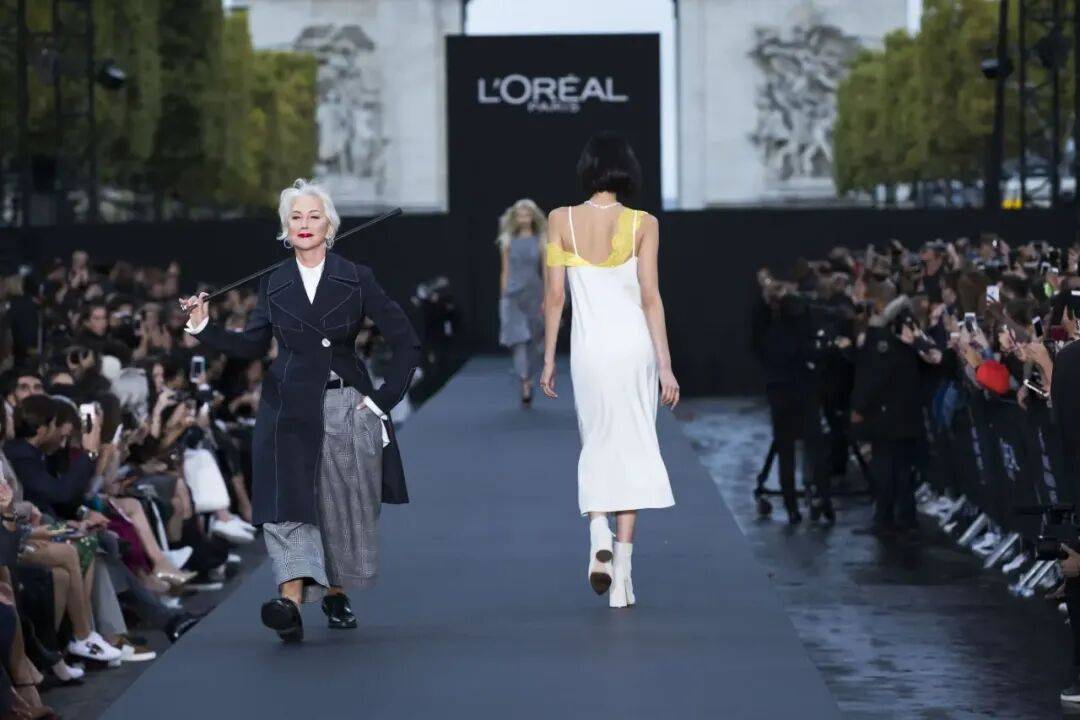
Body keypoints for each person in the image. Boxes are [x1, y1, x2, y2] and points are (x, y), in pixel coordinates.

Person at [180, 178, 421, 642]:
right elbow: (251, 346)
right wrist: (204, 326)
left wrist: (380, 401)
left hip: (346, 405)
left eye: (314, 216)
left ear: (330, 225)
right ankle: (288, 602)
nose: (305, 224)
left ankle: (334, 593)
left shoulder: (357, 276)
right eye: (296, 217)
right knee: (288, 505)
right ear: (285, 229)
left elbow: (406, 341)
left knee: (337, 507)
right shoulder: (274, 282)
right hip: (286, 407)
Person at [540, 133, 678, 609]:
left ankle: (598, 530)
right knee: (632, 446)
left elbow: (555, 297)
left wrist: (548, 358)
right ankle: (622, 576)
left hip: (591, 351)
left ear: (587, 168)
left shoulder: (559, 219)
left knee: (596, 441)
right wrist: (666, 367)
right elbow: (650, 297)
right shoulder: (644, 223)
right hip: (635, 349)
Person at [497, 199, 546, 404]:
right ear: (515, 218)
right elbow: (505, 270)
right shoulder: (508, 240)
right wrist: (503, 297)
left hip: (534, 293)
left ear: (533, 217)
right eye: (519, 215)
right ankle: (524, 381)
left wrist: (547, 298)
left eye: (526, 214)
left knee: (535, 341)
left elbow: (545, 270)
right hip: (513, 294)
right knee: (518, 340)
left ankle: (529, 376)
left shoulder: (541, 240)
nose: (523, 218)